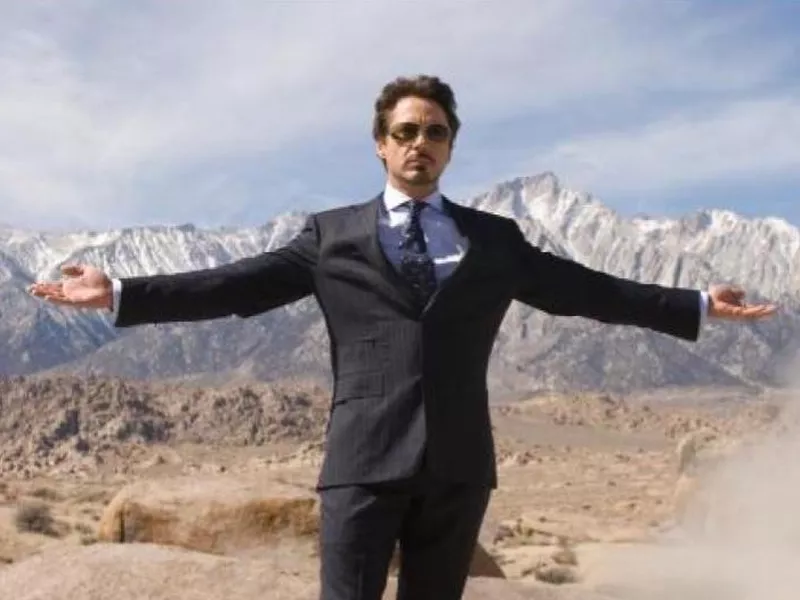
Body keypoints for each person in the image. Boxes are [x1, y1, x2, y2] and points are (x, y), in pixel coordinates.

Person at [28, 74, 777, 600]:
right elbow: (234, 285)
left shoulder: (494, 240)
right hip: (362, 461)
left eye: (435, 132)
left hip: (458, 465)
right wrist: (120, 292)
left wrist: (695, 303)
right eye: (406, 132)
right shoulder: (332, 237)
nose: (421, 143)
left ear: (451, 147)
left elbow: (591, 292)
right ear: (381, 146)